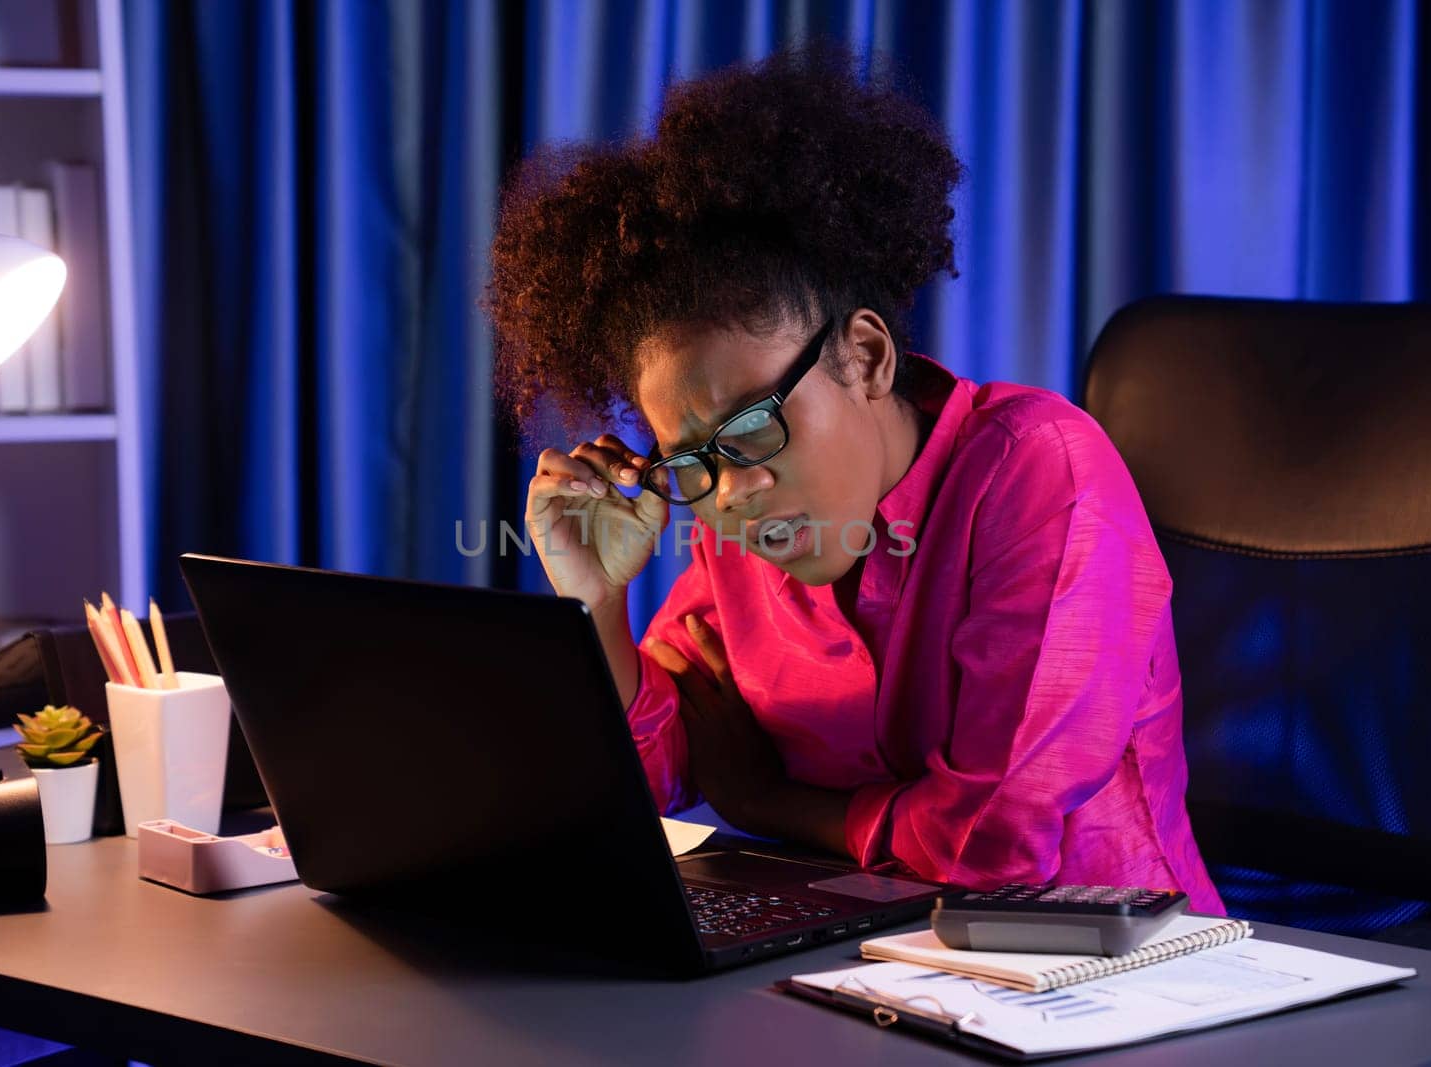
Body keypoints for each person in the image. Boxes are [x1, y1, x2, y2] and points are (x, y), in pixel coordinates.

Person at [485, 44, 1222, 913]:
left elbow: (995, 844)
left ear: (866, 355)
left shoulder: (1040, 473)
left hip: (1103, 979)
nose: (729, 493)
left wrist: (772, 806)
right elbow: (650, 772)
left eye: (753, 426)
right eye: (693, 459)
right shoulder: (746, 526)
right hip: (866, 959)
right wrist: (598, 602)